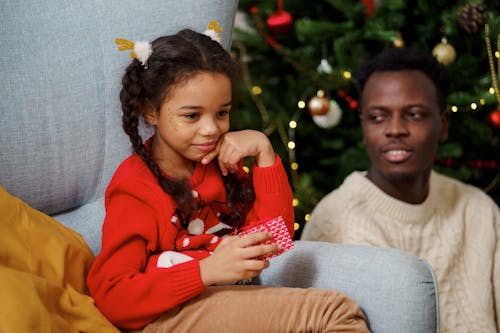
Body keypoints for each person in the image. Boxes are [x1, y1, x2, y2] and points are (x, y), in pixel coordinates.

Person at [87, 26, 369, 332]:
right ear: (150, 111)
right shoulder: (135, 187)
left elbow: (276, 238)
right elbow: (113, 297)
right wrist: (205, 271)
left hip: (226, 304)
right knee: (334, 313)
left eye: (221, 113)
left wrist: (264, 153)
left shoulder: (219, 164)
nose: (211, 129)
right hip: (167, 316)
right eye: (192, 116)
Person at [301, 47, 500, 332]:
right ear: (363, 127)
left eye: (415, 114)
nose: (395, 129)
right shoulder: (333, 222)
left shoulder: (478, 210)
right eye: (378, 117)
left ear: (443, 125)